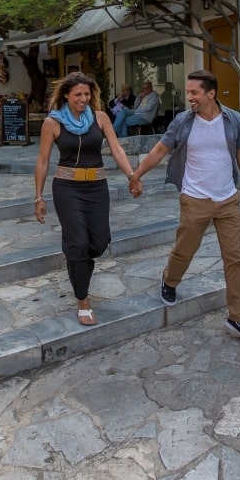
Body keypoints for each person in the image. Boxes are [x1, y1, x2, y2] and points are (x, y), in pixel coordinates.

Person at [129, 69, 240, 345]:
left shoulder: (233, 119)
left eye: (194, 93)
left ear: (210, 93)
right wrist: (136, 174)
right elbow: (159, 150)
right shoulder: (183, 122)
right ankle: (170, 279)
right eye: (188, 92)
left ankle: (239, 318)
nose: (189, 97)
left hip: (227, 200)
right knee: (185, 250)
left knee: (235, 259)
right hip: (194, 198)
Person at [34, 72, 138, 327]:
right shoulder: (53, 122)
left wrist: (132, 175)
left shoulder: (100, 118)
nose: (83, 99)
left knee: (99, 242)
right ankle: (83, 299)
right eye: (78, 94)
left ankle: (75, 257)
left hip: (96, 188)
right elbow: (43, 160)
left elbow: (116, 148)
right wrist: (38, 196)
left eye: (87, 94)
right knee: (78, 242)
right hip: (67, 188)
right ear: (67, 95)